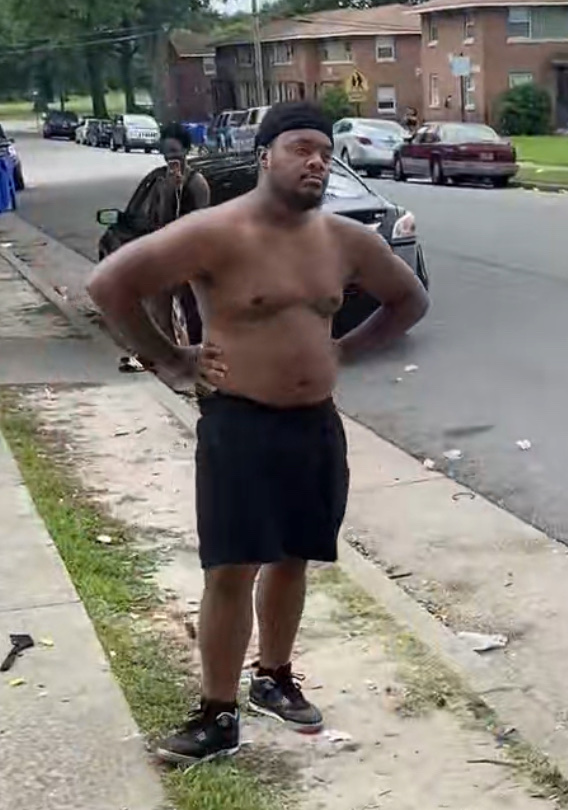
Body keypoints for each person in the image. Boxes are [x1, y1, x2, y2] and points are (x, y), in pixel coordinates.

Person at [87, 101, 429, 767]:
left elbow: (409, 300)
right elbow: (111, 284)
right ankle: (217, 714)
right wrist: (170, 359)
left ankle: (274, 677)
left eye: (325, 152)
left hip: (315, 424)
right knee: (231, 567)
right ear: (265, 154)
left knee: (293, 556)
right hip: (239, 423)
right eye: (301, 147)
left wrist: (344, 352)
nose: (316, 162)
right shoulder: (215, 231)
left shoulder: (345, 240)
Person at [144, 122, 210, 345]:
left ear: (186, 150)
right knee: (161, 309)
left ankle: (197, 352)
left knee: (193, 312)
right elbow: (160, 221)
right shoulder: (162, 183)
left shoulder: (196, 182)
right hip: (166, 256)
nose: (170, 157)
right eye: (165, 152)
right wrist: (168, 193)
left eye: (174, 151)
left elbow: (202, 223)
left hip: (190, 258)